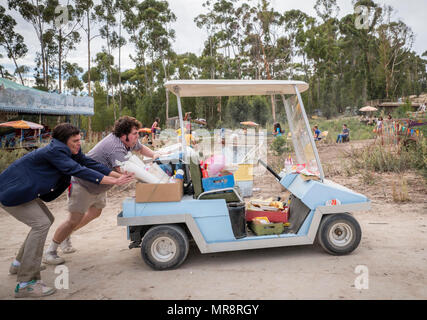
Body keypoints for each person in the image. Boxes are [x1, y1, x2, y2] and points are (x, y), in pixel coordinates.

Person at [0, 123, 134, 298]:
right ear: (64, 141)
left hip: (21, 190)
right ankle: (27, 282)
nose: (79, 143)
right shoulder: (55, 152)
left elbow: (89, 163)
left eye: (80, 140)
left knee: (46, 220)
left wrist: (118, 176)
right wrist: (113, 181)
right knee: (41, 224)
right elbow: (77, 170)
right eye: (75, 141)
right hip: (11, 192)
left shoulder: (69, 151)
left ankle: (19, 263)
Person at [44, 116, 159, 265]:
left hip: (101, 185)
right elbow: (124, 172)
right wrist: (152, 181)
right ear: (124, 135)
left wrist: (156, 154)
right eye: (135, 133)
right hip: (83, 185)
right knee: (73, 220)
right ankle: (51, 251)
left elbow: (140, 147)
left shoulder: (127, 140)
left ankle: (67, 235)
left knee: (95, 212)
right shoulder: (115, 147)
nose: (138, 136)